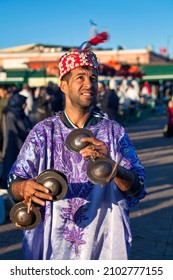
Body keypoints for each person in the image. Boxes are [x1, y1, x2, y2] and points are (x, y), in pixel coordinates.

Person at [8, 49, 146, 260]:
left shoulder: (114, 132)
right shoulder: (43, 133)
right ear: (63, 85)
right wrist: (24, 188)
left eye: (93, 78)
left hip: (102, 246)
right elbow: (14, 181)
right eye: (80, 77)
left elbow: (138, 188)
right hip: (53, 248)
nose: (89, 84)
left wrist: (113, 167)